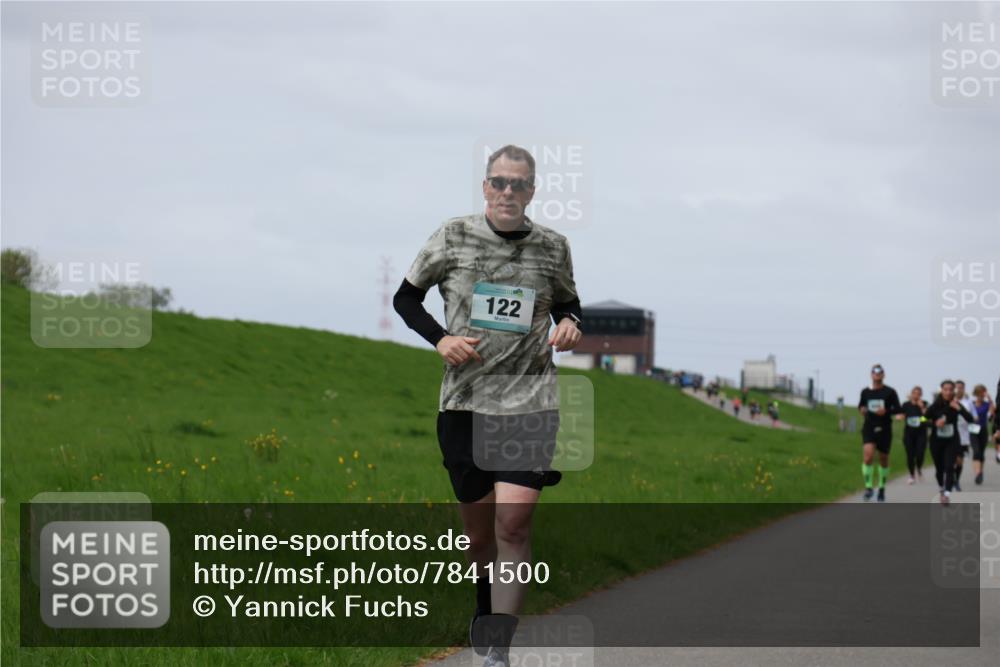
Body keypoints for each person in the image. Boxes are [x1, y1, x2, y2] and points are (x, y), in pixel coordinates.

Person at [393, 145, 582, 667]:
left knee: (514, 525)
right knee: (480, 538)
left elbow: (567, 301)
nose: (507, 192)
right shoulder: (452, 236)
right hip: (465, 404)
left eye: (518, 184)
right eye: (498, 182)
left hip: (529, 403)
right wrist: (439, 339)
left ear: (532, 191)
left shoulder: (554, 246)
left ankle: (496, 649)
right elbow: (405, 298)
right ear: (484, 187)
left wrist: (570, 324)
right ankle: (483, 606)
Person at [926, 380, 976, 505]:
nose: (948, 392)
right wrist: (934, 424)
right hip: (936, 442)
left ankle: (947, 494)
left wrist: (959, 409)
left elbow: (970, 419)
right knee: (939, 469)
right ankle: (941, 488)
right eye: (945, 389)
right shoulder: (934, 406)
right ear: (941, 390)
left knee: (949, 466)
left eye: (950, 389)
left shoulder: (956, 404)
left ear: (953, 391)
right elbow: (922, 419)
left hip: (952, 440)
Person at [857, 364, 901, 502]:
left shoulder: (890, 392)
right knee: (868, 456)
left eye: (879, 372)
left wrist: (886, 411)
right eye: (874, 372)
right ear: (871, 375)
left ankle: (881, 488)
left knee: (883, 459)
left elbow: (898, 409)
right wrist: (862, 410)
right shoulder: (865, 391)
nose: (877, 374)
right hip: (869, 426)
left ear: (883, 375)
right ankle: (869, 487)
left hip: (885, 428)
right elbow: (861, 405)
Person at [896, 386, 928, 484]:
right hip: (909, 433)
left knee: (920, 454)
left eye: (918, 393)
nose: (916, 395)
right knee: (910, 455)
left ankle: (919, 468)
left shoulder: (925, 404)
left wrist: (922, 408)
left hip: (921, 433)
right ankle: (912, 475)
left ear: (921, 395)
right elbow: (900, 415)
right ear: (912, 394)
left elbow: (927, 417)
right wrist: (900, 417)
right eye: (915, 393)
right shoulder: (906, 405)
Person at [953, 380, 975, 491]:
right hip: (950, 435)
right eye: (957, 387)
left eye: (961, 387)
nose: (959, 389)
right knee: (950, 460)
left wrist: (971, 418)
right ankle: (950, 479)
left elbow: (975, 416)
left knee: (959, 461)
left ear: (964, 389)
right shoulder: (949, 401)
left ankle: (956, 480)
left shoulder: (968, 402)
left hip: (963, 436)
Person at [970, 384, 994, 484]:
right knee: (976, 452)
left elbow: (992, 411)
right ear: (975, 394)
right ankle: (978, 473)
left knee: (982, 453)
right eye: (979, 393)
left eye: (982, 393)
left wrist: (990, 398)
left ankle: (980, 471)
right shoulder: (971, 404)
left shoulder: (987, 404)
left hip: (983, 430)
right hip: (973, 430)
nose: (980, 395)